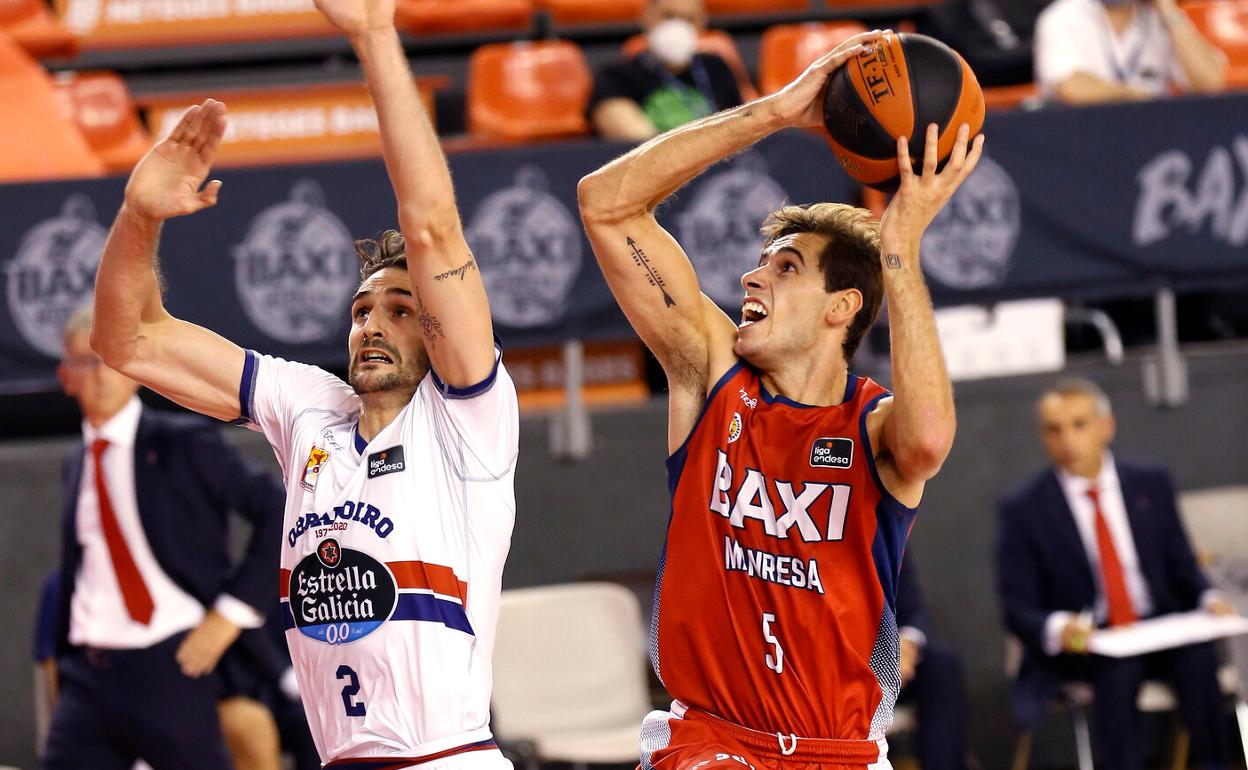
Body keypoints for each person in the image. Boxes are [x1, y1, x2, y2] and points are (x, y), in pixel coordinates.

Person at [88, 0, 518, 762]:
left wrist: (375, 36)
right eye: (361, 310)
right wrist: (137, 217)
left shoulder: (466, 418)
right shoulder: (310, 407)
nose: (373, 324)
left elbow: (430, 228)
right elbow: (128, 339)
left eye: (401, 308)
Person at [578, 29, 983, 769]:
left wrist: (900, 252)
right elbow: (605, 205)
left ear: (840, 309)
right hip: (712, 744)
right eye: (760, 264)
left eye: (786, 268)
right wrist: (768, 113)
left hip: (843, 752)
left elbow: (927, 442)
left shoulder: (871, 423)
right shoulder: (711, 377)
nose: (749, 280)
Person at [44, 305, 286, 770]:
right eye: (85, 362)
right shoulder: (75, 463)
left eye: (110, 360)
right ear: (66, 376)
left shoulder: (183, 443)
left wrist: (230, 613)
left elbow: (277, 508)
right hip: (89, 674)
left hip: (171, 664)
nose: (100, 375)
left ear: (133, 369)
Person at [996, 377, 1234, 770]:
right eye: (1055, 429)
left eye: (1079, 424)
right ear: (1043, 437)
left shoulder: (1150, 484)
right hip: (1092, 640)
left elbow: (1182, 565)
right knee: (1118, 670)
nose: (1068, 440)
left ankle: (1215, 762)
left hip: (1157, 626)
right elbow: (1016, 604)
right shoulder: (1025, 509)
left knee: (1197, 658)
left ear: (1107, 426)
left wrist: (1209, 599)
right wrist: (1060, 627)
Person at [589, 0, 744, 140]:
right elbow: (634, 140)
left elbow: (739, 126)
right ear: (646, 16)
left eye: (689, 19)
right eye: (669, 16)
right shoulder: (616, 77)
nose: (678, 27)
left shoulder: (715, 68)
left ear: (703, 22)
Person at [1033, 0, 1227, 104]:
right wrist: (1134, 96)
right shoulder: (1063, 16)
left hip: (1151, 140)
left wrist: (1169, 9)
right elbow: (1071, 88)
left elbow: (1209, 82)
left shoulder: (1158, 18)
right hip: (1082, 139)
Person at [894, 557, 971, 770]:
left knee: (942, 667)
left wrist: (907, 644)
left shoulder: (884, 529)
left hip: (892, 668)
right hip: (828, 667)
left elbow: (912, 608)